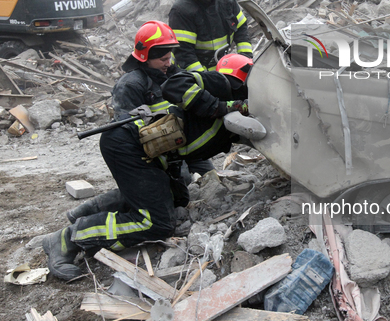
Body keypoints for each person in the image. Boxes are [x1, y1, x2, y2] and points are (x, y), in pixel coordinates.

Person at [44, 21, 252, 281]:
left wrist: (204, 171)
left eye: (169, 56)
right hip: (129, 146)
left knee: (177, 199)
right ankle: (68, 238)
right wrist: (220, 107)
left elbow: (193, 132)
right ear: (144, 57)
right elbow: (135, 127)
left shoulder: (172, 73)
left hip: (159, 154)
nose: (168, 62)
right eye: (162, 58)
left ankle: (88, 213)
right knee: (156, 223)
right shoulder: (131, 84)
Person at [169, 0, 253, 73]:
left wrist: (245, 58)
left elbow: (241, 28)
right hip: (191, 72)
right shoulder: (181, 11)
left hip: (222, 66)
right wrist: (205, 78)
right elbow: (184, 54)